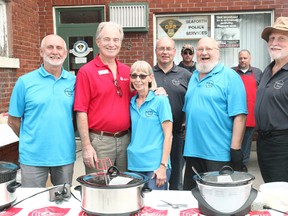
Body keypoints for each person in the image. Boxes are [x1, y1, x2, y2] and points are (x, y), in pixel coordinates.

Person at [74, 22, 166, 174]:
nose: (112, 44)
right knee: (101, 187)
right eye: (107, 39)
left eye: (116, 40)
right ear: (98, 42)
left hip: (126, 140)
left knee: (126, 185)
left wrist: (155, 91)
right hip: (100, 142)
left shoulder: (127, 71)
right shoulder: (86, 72)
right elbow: (81, 111)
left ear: (120, 43)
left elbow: (141, 97)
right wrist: (86, 146)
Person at [8, 34, 76, 187]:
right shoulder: (25, 82)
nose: (55, 51)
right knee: (32, 203)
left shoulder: (74, 82)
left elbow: (77, 116)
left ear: (65, 53)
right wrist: (30, 138)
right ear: (41, 52)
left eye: (59, 48)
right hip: (33, 157)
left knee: (64, 202)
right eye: (50, 47)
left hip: (64, 155)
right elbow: (13, 121)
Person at [183, 37, 247, 190]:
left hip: (218, 154)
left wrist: (235, 149)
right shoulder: (193, 77)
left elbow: (240, 116)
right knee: (193, 199)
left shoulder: (230, 77)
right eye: (200, 49)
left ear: (218, 53)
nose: (204, 53)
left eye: (208, 49)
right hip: (193, 152)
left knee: (218, 203)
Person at [127, 60, 173, 190]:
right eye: (134, 76)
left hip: (155, 165)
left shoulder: (160, 100)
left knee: (155, 208)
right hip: (134, 164)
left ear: (150, 78)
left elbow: (168, 135)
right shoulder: (131, 102)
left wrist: (163, 166)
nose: (138, 80)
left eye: (142, 76)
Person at [153, 37, 192, 190]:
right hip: (155, 137)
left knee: (176, 179)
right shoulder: (148, 74)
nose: (165, 52)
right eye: (161, 48)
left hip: (178, 135)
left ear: (174, 52)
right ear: (156, 51)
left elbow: (194, 102)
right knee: (156, 176)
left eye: (168, 49)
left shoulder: (186, 75)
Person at [255, 16, 288, 183]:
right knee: (271, 189)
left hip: (283, 144)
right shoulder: (269, 69)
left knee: (282, 194)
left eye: (281, 38)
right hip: (264, 142)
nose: (274, 42)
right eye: (272, 38)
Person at [232, 49, 262, 169]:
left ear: (250, 59)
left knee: (247, 142)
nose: (242, 60)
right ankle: (234, 164)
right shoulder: (232, 72)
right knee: (234, 140)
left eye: (245, 58)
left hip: (251, 114)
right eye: (240, 58)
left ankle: (243, 165)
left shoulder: (258, 72)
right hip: (235, 113)